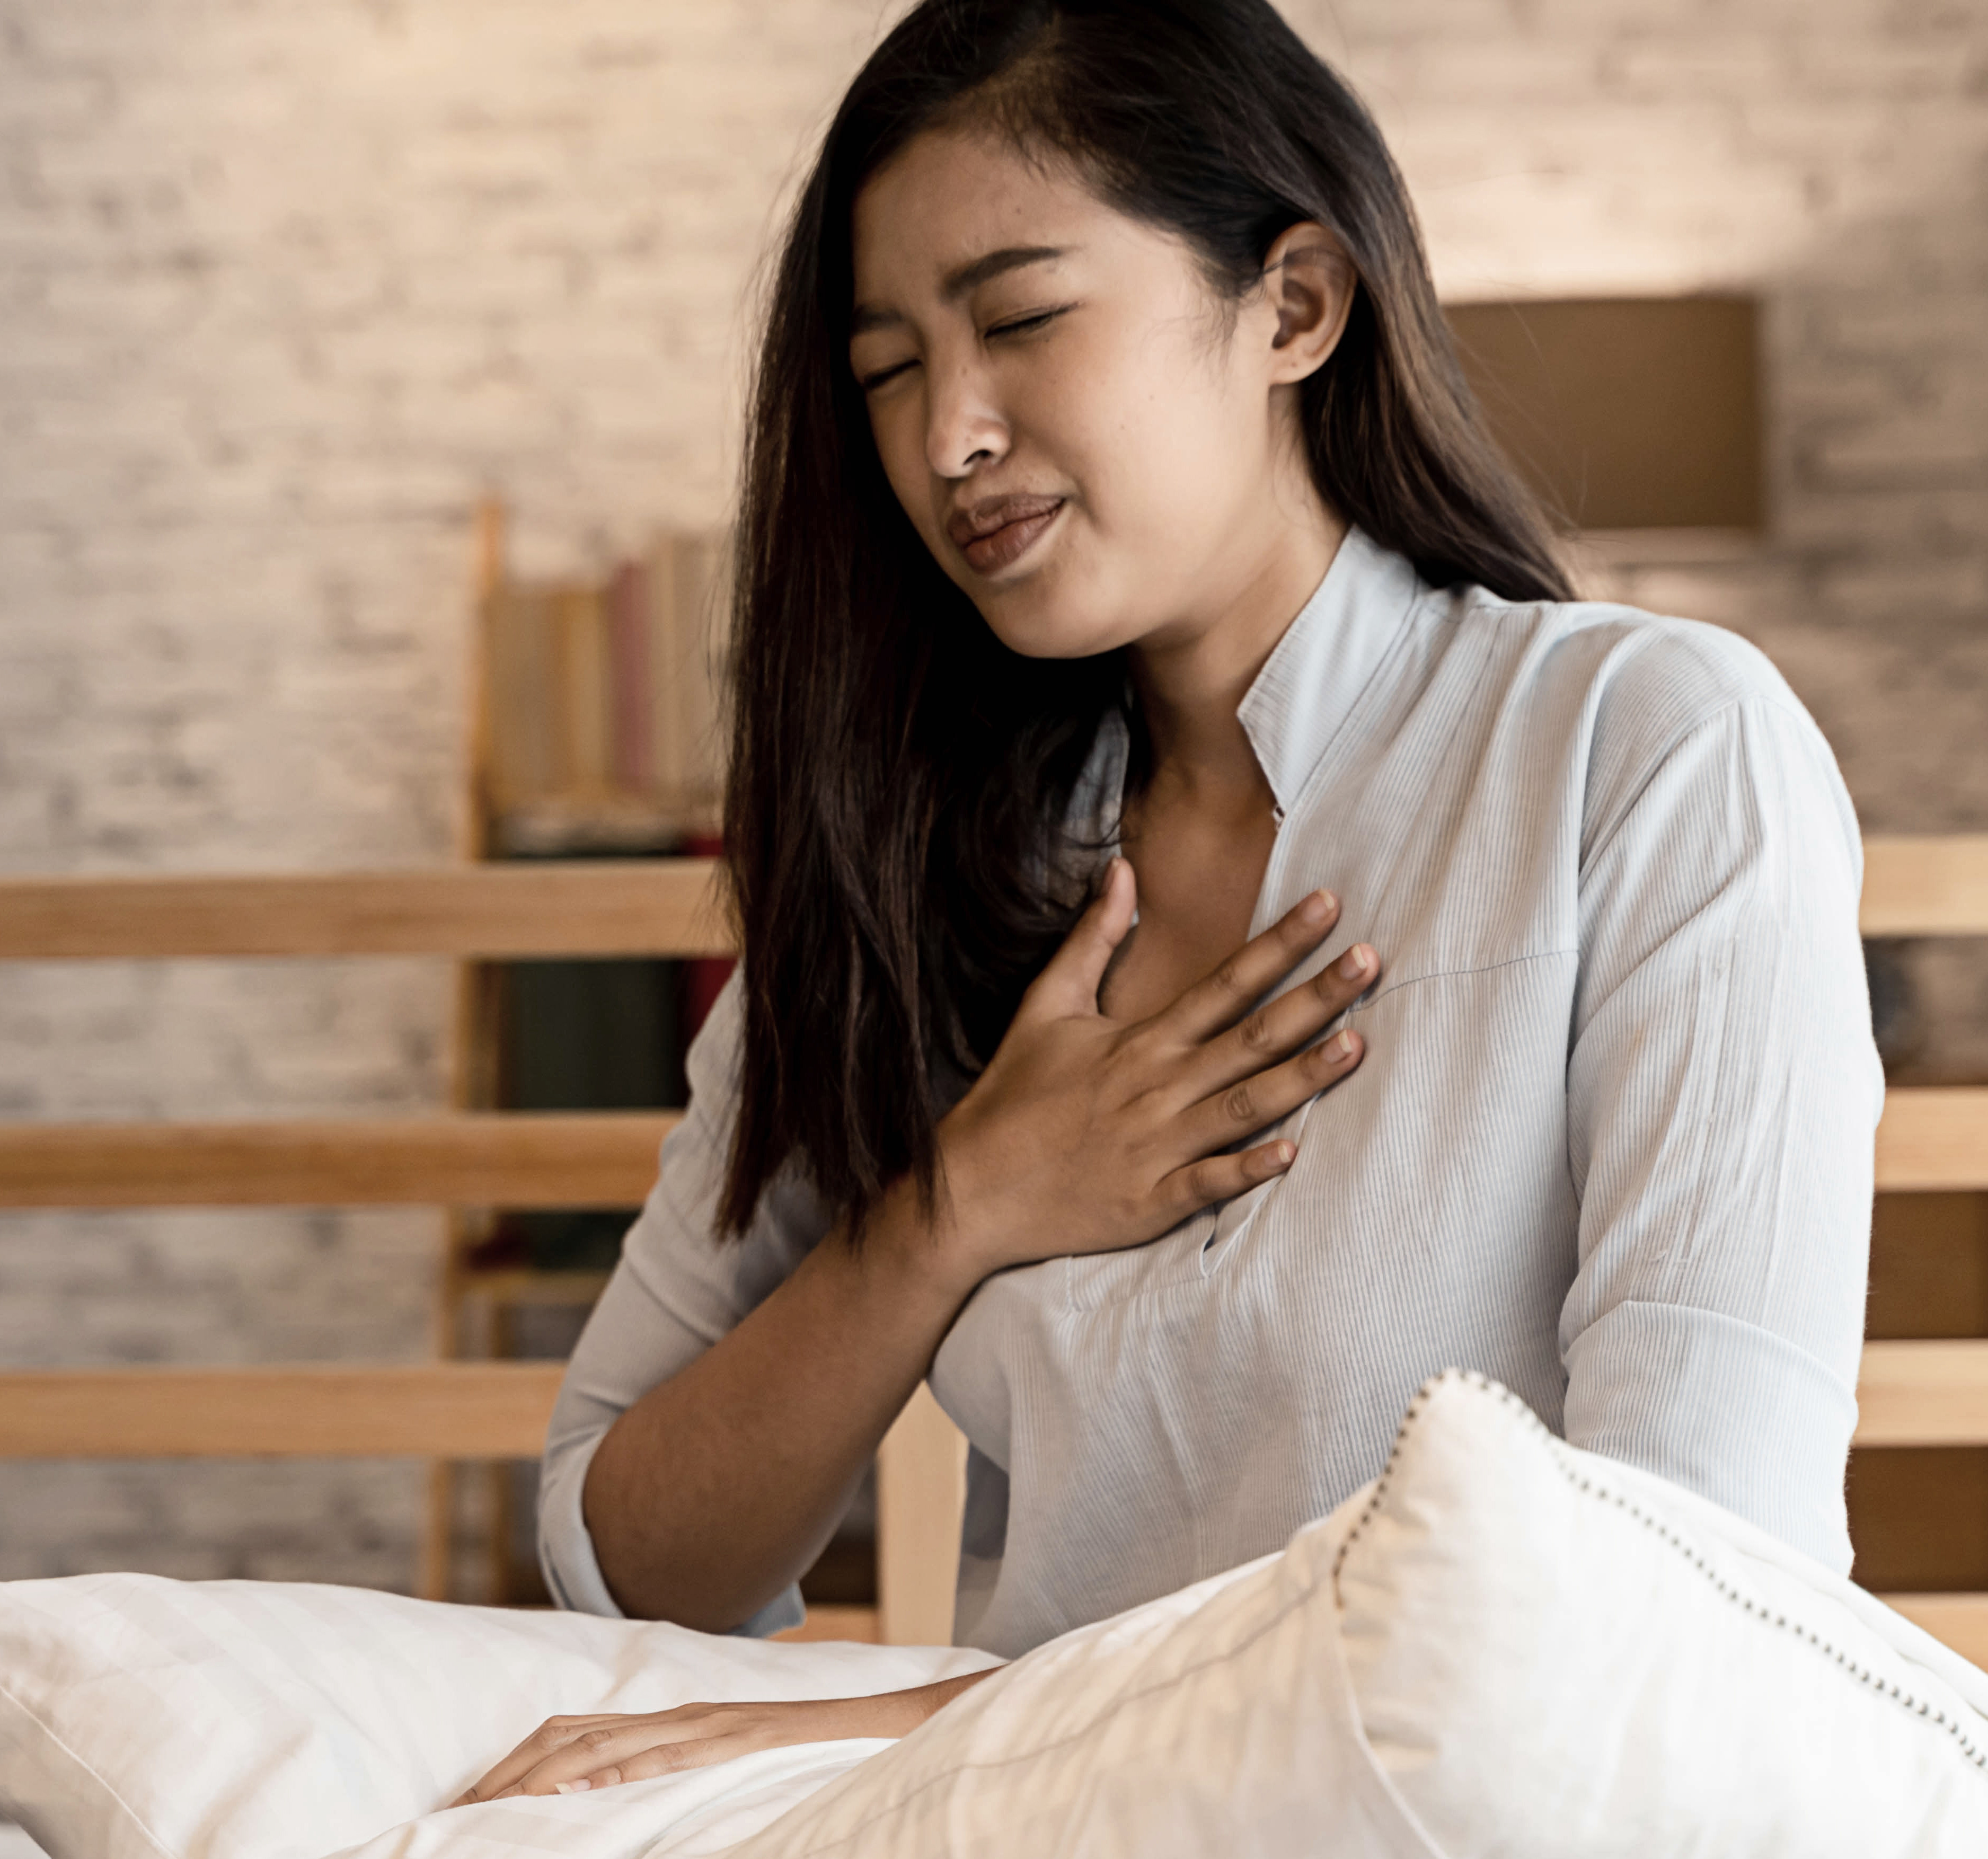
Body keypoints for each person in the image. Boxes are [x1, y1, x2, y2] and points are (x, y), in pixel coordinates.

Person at [459, 0, 1881, 1804]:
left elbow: (1698, 1585)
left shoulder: (1650, 752)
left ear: (1293, 304)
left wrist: (926, 1719)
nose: (949, 436)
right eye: (888, 368)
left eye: (1023, 319)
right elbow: (624, 1544)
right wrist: (960, 1205)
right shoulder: (911, 862)